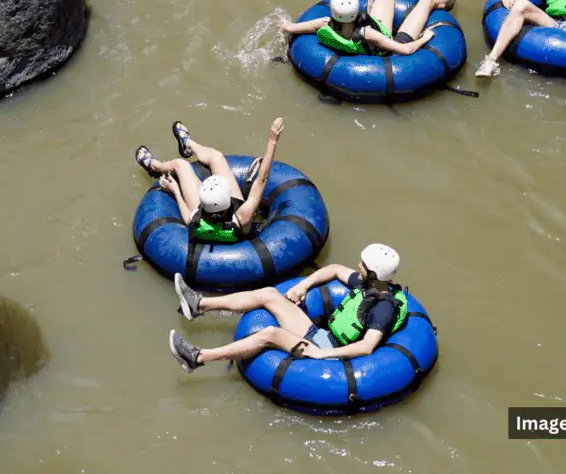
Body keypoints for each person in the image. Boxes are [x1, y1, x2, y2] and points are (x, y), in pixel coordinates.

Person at [167, 243, 410, 373]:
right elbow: (335, 268)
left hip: (332, 354)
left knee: (271, 334)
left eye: (364, 265)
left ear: (376, 274)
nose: (358, 265)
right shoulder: (369, 285)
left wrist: (321, 354)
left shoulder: (383, 308)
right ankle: (199, 304)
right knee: (269, 294)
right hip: (324, 337)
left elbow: (367, 347)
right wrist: (304, 285)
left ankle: (197, 358)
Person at [134, 118, 284, 243]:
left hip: (213, 218)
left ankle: (155, 166)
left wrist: (176, 192)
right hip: (233, 227)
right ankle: (187, 144)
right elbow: (262, 179)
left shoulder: (198, 222)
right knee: (216, 157)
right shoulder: (242, 217)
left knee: (180, 165)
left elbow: (187, 219)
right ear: (228, 199)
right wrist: (272, 141)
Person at [279, 0, 457, 57]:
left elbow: (290, 27)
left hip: (372, 34)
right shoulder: (367, 33)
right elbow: (405, 50)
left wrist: (283, 26)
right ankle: (447, 0)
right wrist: (425, 38)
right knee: (426, 0)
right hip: (391, 45)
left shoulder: (324, 23)